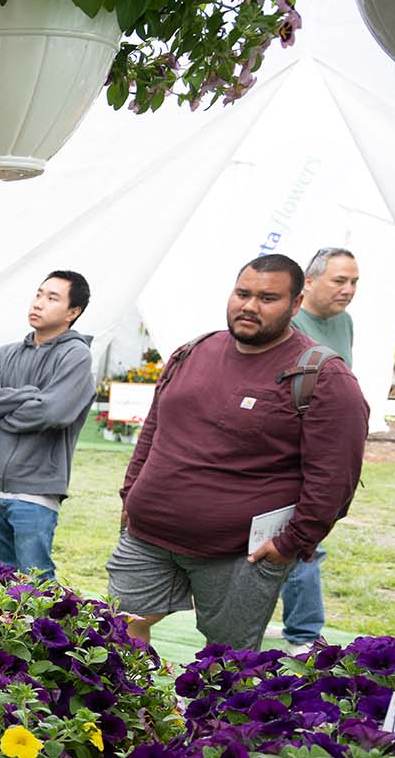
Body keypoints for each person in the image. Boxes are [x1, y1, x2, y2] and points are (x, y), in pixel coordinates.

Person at [110, 254, 366, 650]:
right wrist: (132, 493)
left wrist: (293, 542)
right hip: (148, 535)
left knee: (226, 663)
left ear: (295, 304)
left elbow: (334, 477)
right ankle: (144, 711)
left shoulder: (322, 376)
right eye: (242, 293)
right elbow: (155, 429)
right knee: (119, 633)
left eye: (267, 298)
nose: (249, 306)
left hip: (237, 555)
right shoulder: (193, 351)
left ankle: (205, 714)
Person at [0, 271, 96, 580]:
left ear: (72, 312)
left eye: (52, 298)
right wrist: (27, 395)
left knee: (35, 582)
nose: (39, 303)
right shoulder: (5, 354)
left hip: (35, 491)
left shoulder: (76, 356)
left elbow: (52, 413)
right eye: (38, 294)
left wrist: (4, 410)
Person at [274, 247, 359, 646]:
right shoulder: (288, 322)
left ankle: (302, 631)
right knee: (303, 543)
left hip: (323, 453)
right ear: (309, 282)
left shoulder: (345, 324)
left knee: (307, 542)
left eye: (354, 281)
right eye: (339, 280)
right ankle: (305, 635)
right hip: (286, 452)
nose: (349, 289)